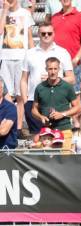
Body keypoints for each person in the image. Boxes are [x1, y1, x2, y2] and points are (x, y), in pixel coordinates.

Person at [20, 22, 74, 136]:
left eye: (49, 33)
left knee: (58, 139)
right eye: (43, 33)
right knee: (36, 140)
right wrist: (25, 102)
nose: (46, 36)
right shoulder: (30, 53)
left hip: (56, 102)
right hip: (33, 102)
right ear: (38, 34)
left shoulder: (62, 52)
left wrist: (56, 77)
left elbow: (71, 79)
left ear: (54, 34)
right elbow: (24, 79)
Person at [31, 57, 81, 152]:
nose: (53, 72)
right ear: (46, 69)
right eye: (50, 69)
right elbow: (34, 109)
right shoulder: (40, 87)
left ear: (59, 69)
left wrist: (62, 114)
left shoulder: (67, 87)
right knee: (46, 161)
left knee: (65, 159)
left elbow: (78, 107)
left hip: (64, 129)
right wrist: (40, 117)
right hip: (46, 132)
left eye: (55, 68)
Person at [0, 0, 34, 137]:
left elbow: (30, 38)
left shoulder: (25, 13)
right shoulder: (2, 13)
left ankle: (19, 127)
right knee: (7, 94)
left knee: (20, 95)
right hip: (5, 58)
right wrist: (5, 10)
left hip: (22, 57)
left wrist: (32, 57)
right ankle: (7, 122)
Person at [51, 0, 81, 95]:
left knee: (74, 96)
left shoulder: (80, 17)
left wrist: (76, 59)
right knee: (56, 96)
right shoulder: (54, 17)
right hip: (55, 65)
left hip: (73, 64)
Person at [0, 79, 18, 151]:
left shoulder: (10, 108)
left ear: (2, 90)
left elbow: (3, 131)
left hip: (5, 151)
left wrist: (2, 128)